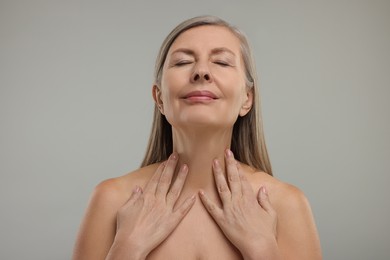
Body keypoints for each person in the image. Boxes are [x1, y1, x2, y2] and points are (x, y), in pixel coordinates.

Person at [72, 15, 322, 260]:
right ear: (159, 98)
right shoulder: (112, 201)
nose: (201, 71)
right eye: (182, 62)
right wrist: (127, 249)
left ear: (247, 99)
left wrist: (262, 249)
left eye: (222, 62)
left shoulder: (286, 205)